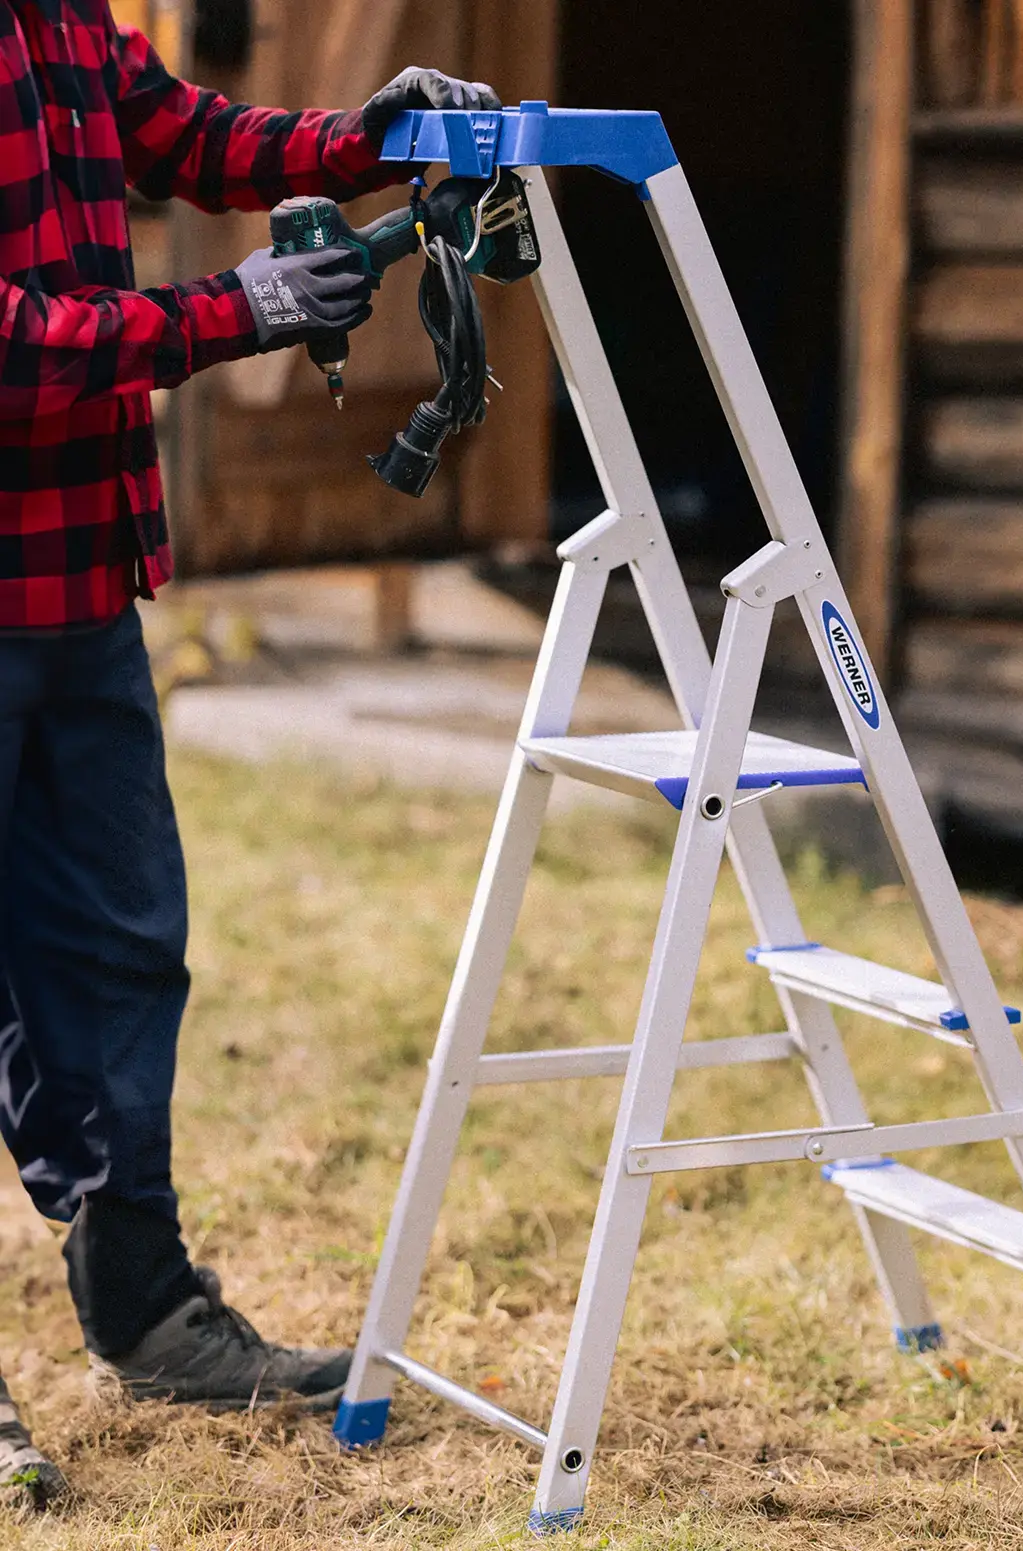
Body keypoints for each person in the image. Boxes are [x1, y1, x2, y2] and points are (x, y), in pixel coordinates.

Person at [0, 0, 499, 1510]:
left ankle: (146, 1308)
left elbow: (190, 135)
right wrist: (243, 309)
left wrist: (370, 136)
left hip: (76, 583)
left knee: (124, 948)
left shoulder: (64, 16)